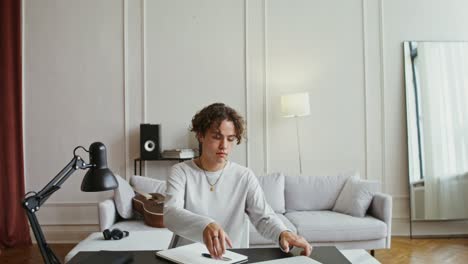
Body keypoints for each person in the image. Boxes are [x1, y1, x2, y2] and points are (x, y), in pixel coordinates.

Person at [163, 103, 312, 259]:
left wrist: (283, 233)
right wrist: (206, 225)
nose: (224, 146)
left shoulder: (244, 176)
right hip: (185, 258)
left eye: (230, 139)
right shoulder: (181, 171)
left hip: (230, 258)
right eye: (216, 137)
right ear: (200, 135)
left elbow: (263, 217)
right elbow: (171, 214)